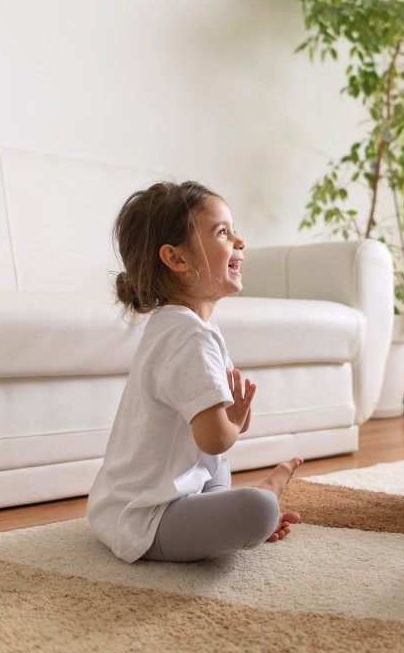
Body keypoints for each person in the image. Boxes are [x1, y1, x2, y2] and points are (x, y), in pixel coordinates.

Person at [87, 180, 303, 564]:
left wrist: (226, 423)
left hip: (120, 506)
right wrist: (232, 423)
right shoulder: (190, 337)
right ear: (177, 259)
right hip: (147, 522)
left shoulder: (176, 326)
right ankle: (267, 492)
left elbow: (204, 443)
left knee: (216, 470)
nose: (240, 242)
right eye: (222, 232)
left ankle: (220, 514)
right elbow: (215, 439)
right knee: (259, 510)